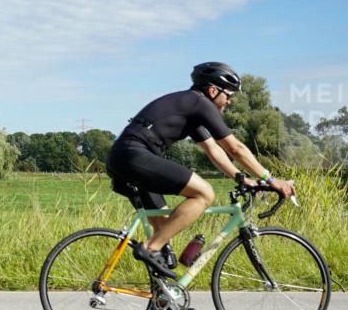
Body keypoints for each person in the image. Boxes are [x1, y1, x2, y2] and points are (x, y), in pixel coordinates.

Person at [106, 62, 295, 280]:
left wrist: (240, 177)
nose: (229, 101)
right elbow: (235, 148)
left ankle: (161, 297)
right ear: (213, 90)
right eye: (228, 95)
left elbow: (214, 150)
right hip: (134, 156)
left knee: (165, 231)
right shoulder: (199, 102)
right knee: (204, 193)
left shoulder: (189, 108)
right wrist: (271, 179)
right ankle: (148, 248)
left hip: (124, 157)